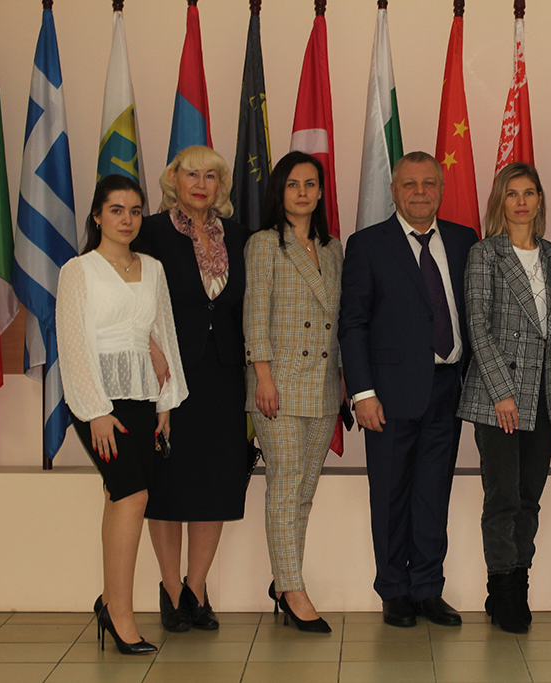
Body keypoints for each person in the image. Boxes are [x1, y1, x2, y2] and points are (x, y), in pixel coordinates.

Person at [339, 151, 477, 628]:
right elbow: (353, 324)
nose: (420, 192)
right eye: (409, 184)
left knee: (433, 494)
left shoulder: (463, 240)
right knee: (391, 495)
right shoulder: (367, 244)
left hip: (448, 388)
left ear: (441, 189)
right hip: (388, 395)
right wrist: (362, 393)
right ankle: (394, 589)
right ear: (394, 191)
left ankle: (428, 588)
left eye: (428, 183)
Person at [57, 174, 187, 654]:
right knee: (133, 496)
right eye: (116, 210)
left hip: (141, 396)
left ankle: (110, 602)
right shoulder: (79, 270)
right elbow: (73, 343)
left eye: (135, 211)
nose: (127, 219)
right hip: (97, 402)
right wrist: (95, 411)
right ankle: (121, 616)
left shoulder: (152, 268)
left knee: (120, 498)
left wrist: (165, 401)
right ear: (97, 216)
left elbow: (163, 332)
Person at [456, 162, 551, 633]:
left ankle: (516, 583)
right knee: (502, 498)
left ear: (540, 199)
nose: (521, 202)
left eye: (529, 193)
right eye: (512, 193)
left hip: (544, 396)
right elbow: (477, 327)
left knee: (529, 499)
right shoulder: (485, 253)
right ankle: (504, 591)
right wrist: (502, 392)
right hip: (497, 398)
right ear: (500, 201)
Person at [137, 146, 249, 633]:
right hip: (167, 378)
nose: (201, 184)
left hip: (223, 375)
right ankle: (170, 589)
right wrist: (150, 347)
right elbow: (126, 294)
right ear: (173, 180)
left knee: (214, 483)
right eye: (191, 175)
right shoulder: (150, 232)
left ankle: (197, 589)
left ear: (221, 184)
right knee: (168, 483)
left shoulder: (238, 235)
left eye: (211, 176)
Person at [244, 152, 344, 633]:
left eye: (310, 184)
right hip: (278, 385)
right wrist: (262, 376)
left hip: (323, 387)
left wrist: (342, 377)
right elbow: (254, 313)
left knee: (303, 492)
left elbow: (338, 320)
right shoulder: (265, 243)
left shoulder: (333, 248)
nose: (302, 193)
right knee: (284, 488)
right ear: (279, 192)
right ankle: (293, 588)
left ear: (321, 192)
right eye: (292, 184)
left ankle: (285, 581)